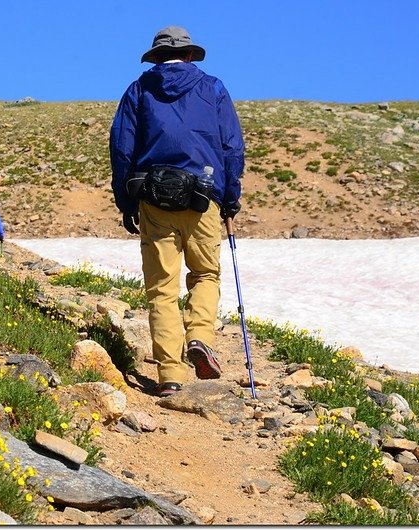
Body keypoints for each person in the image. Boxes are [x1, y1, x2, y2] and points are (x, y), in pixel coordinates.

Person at [109, 26, 245, 397]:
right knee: (205, 274)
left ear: (155, 58)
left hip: (154, 199)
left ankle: (170, 374)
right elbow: (231, 147)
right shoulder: (213, 88)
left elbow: (122, 148)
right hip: (203, 199)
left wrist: (125, 201)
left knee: (161, 290)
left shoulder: (138, 89)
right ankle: (200, 337)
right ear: (188, 55)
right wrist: (230, 199)